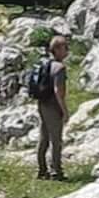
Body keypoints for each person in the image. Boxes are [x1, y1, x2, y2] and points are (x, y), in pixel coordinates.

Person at [33, 33, 70, 180]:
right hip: (53, 107)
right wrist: (64, 111)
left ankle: (42, 170)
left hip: (42, 104)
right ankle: (56, 172)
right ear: (58, 49)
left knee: (43, 138)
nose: (67, 50)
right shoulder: (60, 68)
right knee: (56, 140)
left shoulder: (45, 64)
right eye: (65, 47)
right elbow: (58, 91)